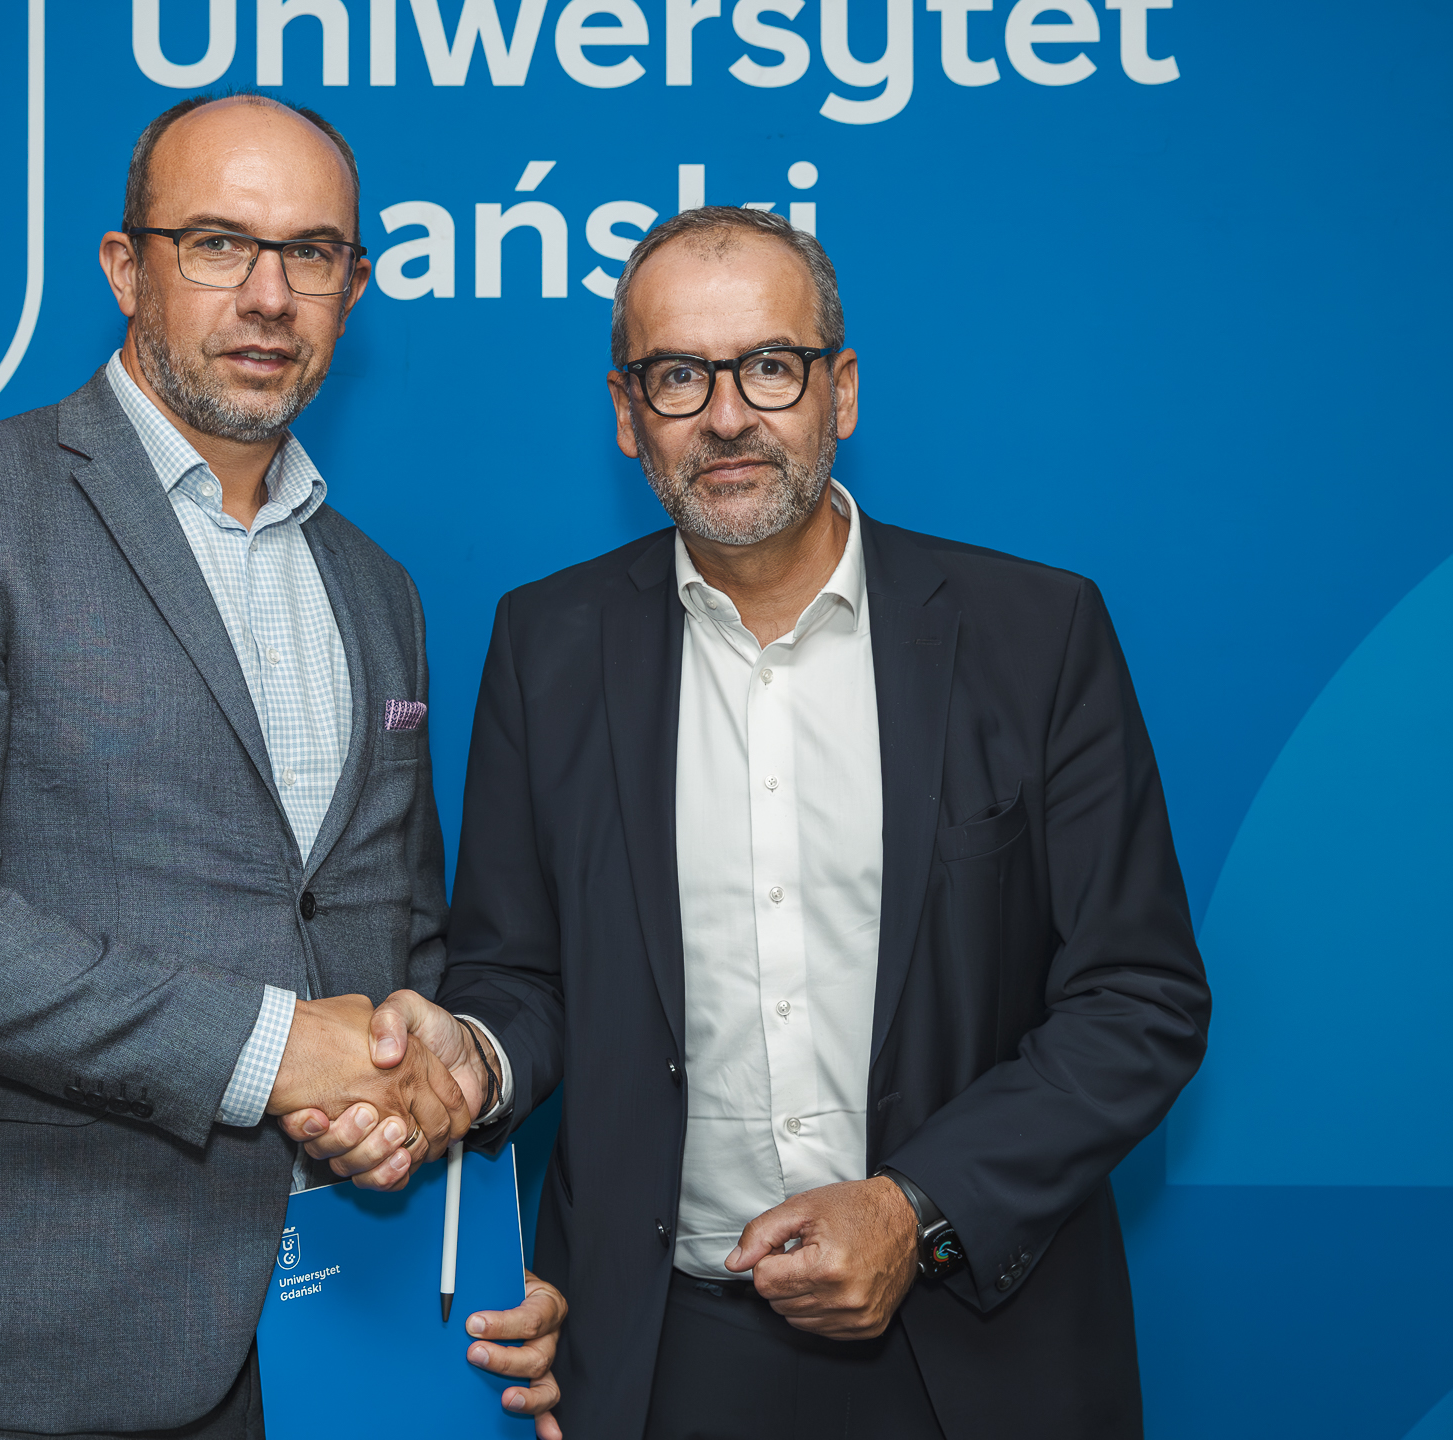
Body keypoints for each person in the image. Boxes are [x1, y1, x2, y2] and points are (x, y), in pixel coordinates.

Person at [286, 207, 1211, 1438]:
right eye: (679, 376)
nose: (727, 416)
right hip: (657, 1352)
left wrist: (915, 1208)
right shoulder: (547, 645)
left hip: (980, 1341)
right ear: (628, 414)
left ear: (842, 392)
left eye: (770, 366)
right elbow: (519, 969)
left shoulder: (1035, 636)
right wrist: (476, 1056)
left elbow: (1138, 999)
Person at [0, 94, 563, 1440]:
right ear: (125, 266)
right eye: (218, 243)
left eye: (312, 253)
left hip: (355, 1338)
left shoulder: (376, 587)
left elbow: (395, 940)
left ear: (355, 287)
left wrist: (446, 1161)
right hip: (32, 1355)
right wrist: (273, 1050)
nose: (269, 295)